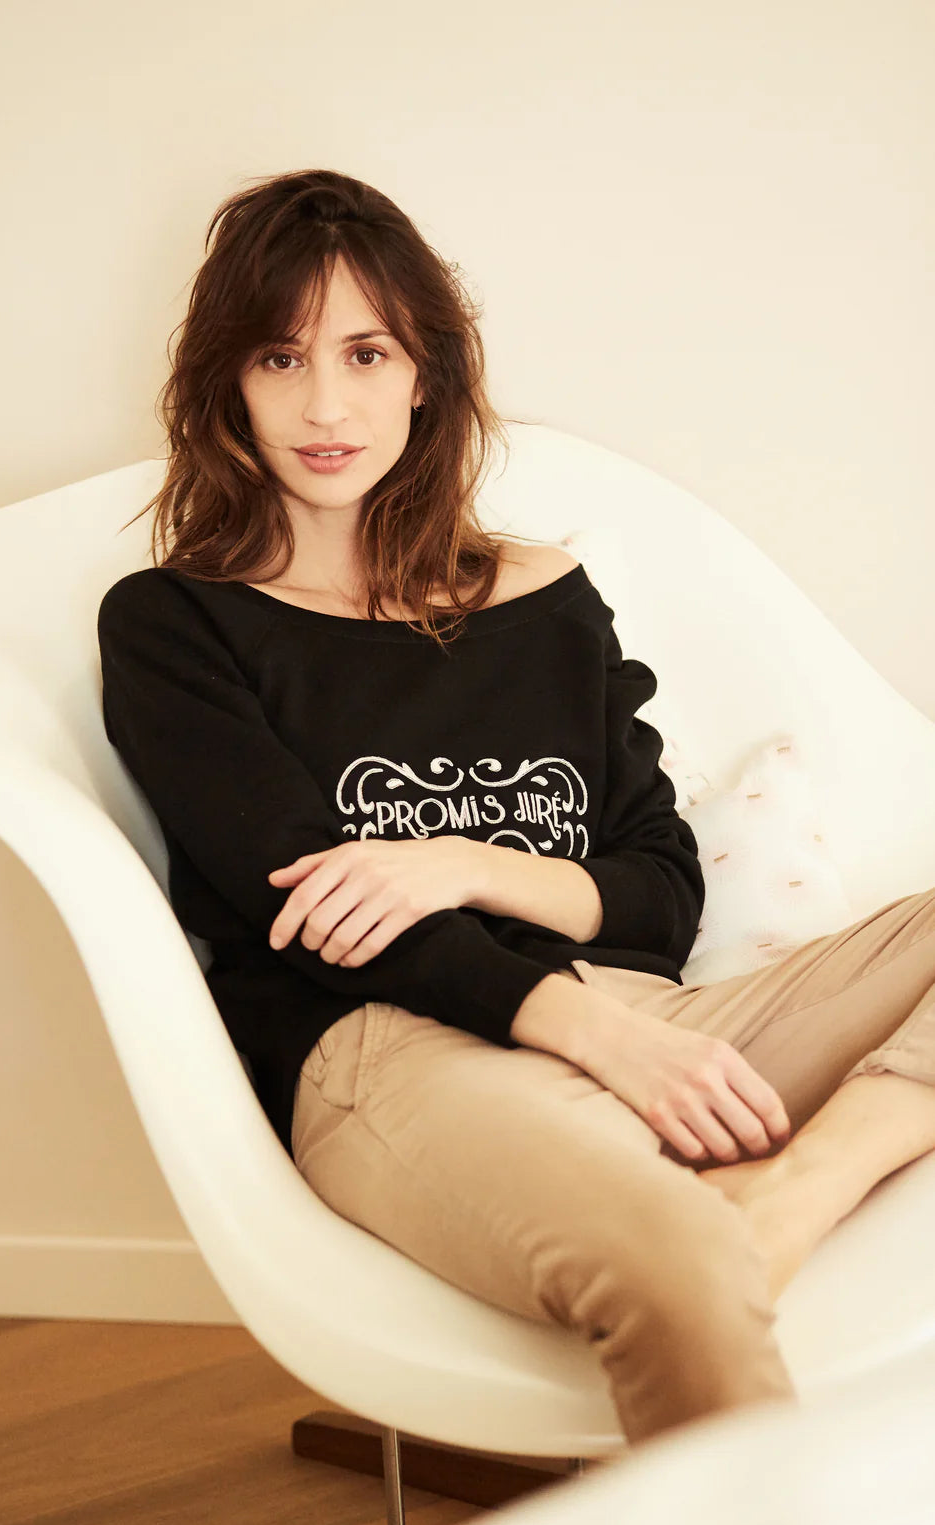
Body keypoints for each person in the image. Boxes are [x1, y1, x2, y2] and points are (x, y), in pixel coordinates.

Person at [97, 167, 935, 1449]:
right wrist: (586, 1031)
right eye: (279, 357)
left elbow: (657, 892)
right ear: (228, 385)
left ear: (423, 374)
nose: (325, 406)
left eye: (366, 353)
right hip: (389, 1052)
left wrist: (459, 863)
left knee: (735, 1211)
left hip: (641, 1016)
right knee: (676, 1261)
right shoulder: (176, 623)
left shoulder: (541, 599)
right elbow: (310, 912)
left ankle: (797, 1189)